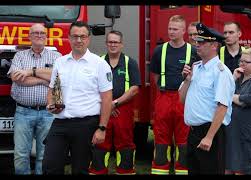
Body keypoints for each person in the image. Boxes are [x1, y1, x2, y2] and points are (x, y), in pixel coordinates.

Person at [42, 21, 113, 174]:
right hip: (60, 123)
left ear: (88, 39)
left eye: (82, 36)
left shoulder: (100, 64)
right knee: (50, 165)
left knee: (80, 169)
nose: (78, 40)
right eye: (75, 36)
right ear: (69, 38)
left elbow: (107, 99)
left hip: (86, 125)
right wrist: (50, 104)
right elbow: (53, 90)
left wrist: (102, 128)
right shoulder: (60, 62)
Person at [179, 23, 235, 174]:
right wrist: (187, 80)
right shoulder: (195, 68)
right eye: (197, 41)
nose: (197, 45)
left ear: (214, 45)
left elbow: (222, 107)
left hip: (211, 132)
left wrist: (209, 137)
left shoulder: (220, 72)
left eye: (202, 42)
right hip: (193, 132)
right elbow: (182, 99)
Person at [7, 23, 61, 175]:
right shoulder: (20, 56)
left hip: (48, 113)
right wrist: (43, 80)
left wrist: (30, 73)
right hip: (23, 112)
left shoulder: (56, 57)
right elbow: (17, 78)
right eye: (35, 33)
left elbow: (57, 78)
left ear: (46, 36)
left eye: (42, 33)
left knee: (45, 154)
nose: (39, 35)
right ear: (29, 36)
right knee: (20, 155)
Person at [149, 15, 199, 175]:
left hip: (184, 99)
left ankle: (182, 171)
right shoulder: (159, 50)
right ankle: (160, 170)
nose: (171, 32)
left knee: (184, 139)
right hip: (164, 97)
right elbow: (155, 75)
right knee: (161, 138)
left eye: (175, 29)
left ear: (183, 31)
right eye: (170, 28)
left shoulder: (193, 51)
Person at [88, 30, 141, 175]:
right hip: (101, 108)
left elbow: (135, 88)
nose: (113, 45)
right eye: (110, 42)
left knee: (125, 143)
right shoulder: (98, 62)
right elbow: (91, 87)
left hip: (123, 109)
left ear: (121, 44)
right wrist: (106, 105)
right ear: (106, 44)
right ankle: (98, 171)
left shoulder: (130, 62)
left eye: (115, 42)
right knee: (100, 142)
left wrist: (114, 103)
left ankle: (125, 171)